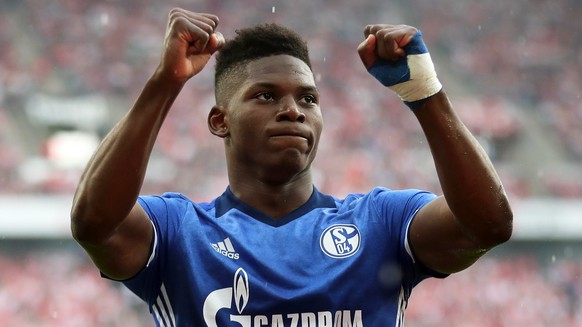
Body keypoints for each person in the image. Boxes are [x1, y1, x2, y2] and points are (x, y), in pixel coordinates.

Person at [70, 8, 513, 327]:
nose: (293, 111)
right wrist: (165, 81)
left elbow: (487, 226)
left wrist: (425, 92)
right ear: (219, 121)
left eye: (308, 98)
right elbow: (94, 223)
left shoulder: (382, 222)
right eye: (266, 95)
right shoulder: (179, 231)